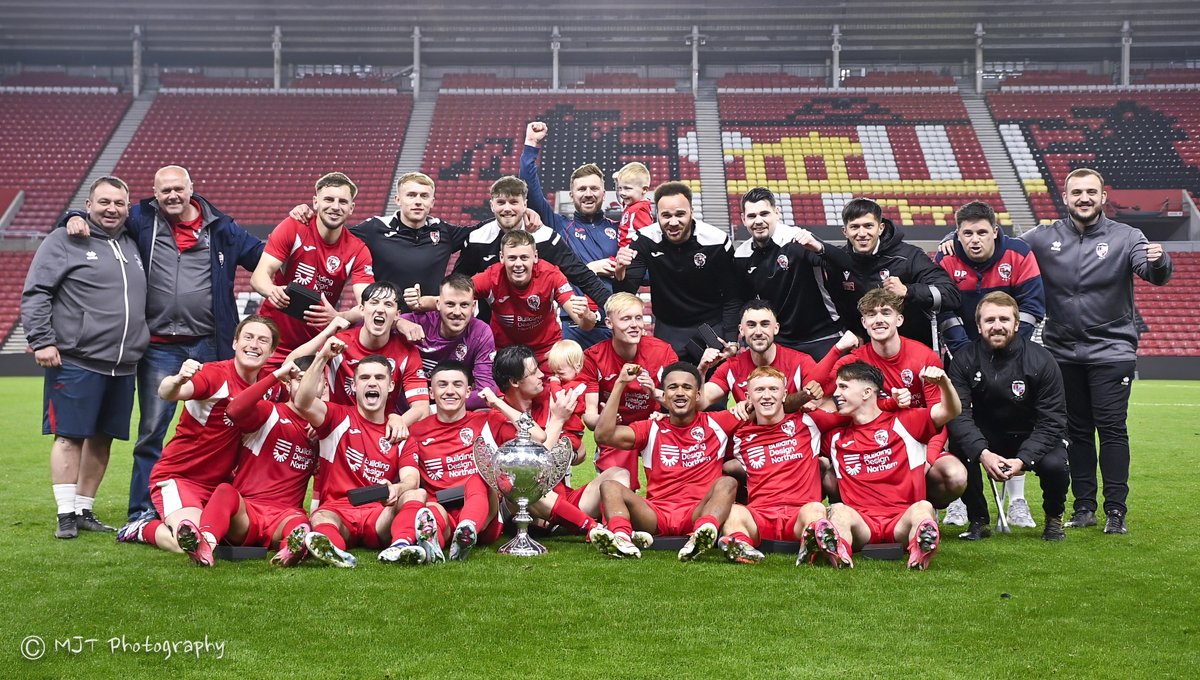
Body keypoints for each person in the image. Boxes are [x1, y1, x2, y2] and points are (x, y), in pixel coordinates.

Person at [59, 165, 263, 524]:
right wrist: (73, 216)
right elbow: (106, 214)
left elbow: (265, 255)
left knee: (218, 430)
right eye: (165, 190)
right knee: (152, 431)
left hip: (209, 344)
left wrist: (300, 224)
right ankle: (142, 510)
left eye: (178, 189)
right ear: (155, 193)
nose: (172, 195)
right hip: (158, 348)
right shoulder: (142, 218)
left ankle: (213, 505)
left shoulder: (221, 227)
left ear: (191, 190)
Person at [1020, 168, 1173, 534]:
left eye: (1091, 191)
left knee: (1112, 429)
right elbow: (1001, 247)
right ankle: (1084, 507)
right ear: (1065, 197)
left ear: (1104, 197)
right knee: (1077, 432)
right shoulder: (1043, 237)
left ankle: (1116, 510)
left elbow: (1153, 272)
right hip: (1061, 352)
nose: (1084, 198)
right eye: (1077, 192)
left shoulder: (1127, 236)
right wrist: (952, 239)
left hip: (1112, 351)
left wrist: (1159, 261)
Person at [23, 176, 149, 538]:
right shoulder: (64, 239)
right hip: (77, 359)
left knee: (103, 438)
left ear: (128, 208)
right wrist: (42, 340)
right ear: (88, 205)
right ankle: (65, 513)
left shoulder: (133, 242)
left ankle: (83, 509)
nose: (112, 209)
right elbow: (37, 292)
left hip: (123, 364)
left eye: (119, 203)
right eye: (104, 202)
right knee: (69, 436)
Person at [117, 316, 280, 552]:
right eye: (248, 337)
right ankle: (142, 528)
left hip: (225, 487)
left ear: (272, 351)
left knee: (232, 538)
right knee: (192, 542)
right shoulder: (214, 374)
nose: (254, 345)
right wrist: (178, 379)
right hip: (182, 477)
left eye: (263, 340)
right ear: (235, 343)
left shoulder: (270, 384)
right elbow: (167, 392)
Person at [934, 200, 1046, 530]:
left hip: (1012, 354)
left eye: (982, 232)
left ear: (995, 231)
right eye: (967, 233)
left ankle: (1018, 502)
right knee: (958, 422)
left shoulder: (1019, 254)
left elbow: (1032, 306)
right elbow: (945, 310)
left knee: (1014, 421)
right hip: (962, 357)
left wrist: (1009, 348)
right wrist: (967, 354)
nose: (975, 240)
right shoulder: (946, 257)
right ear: (957, 234)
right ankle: (960, 500)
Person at [812, 289, 968, 510]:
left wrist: (928, 460)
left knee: (954, 475)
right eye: (871, 314)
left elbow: (939, 417)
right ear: (864, 323)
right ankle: (851, 513)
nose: (879, 320)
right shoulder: (854, 361)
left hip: (915, 440)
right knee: (830, 476)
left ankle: (922, 507)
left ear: (899, 319)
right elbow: (814, 390)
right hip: (868, 445)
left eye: (886, 312)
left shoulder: (923, 357)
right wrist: (837, 349)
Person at [946, 292, 1070, 542]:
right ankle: (978, 519)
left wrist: (1023, 459)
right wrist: (983, 452)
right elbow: (959, 415)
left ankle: (1053, 518)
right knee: (959, 447)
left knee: (1056, 464)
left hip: (1031, 434)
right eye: (989, 320)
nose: (997, 326)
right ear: (978, 326)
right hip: (987, 437)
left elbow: (1052, 420)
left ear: (1016, 324)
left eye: (1004, 319)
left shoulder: (1042, 360)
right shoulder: (963, 359)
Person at [589, 362, 742, 561]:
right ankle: (622, 538)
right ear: (664, 394)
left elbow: (765, 410)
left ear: (698, 395)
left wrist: (744, 405)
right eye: (672, 387)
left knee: (728, 482)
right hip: (656, 515)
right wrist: (620, 383)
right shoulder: (650, 428)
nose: (680, 393)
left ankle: (702, 534)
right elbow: (603, 435)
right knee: (609, 486)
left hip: (698, 511)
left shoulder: (718, 422)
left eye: (687, 387)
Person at [175, 357, 320, 567]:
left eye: (315, 381)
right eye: (300, 380)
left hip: (285, 516)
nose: (308, 386)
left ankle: (290, 550)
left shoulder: (325, 428)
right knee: (225, 491)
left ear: (324, 387)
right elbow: (234, 410)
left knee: (299, 522)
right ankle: (205, 543)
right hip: (248, 512)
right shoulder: (269, 411)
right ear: (288, 384)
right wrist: (274, 376)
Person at [378, 361, 523, 564]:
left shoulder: (488, 420)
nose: (450, 391)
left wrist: (498, 404)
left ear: (468, 391)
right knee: (430, 511)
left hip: (484, 516)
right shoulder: (416, 431)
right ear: (431, 392)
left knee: (478, 478)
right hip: (441, 508)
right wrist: (395, 417)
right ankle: (431, 547)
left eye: (457, 384)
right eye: (442, 385)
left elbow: (537, 436)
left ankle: (468, 528)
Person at [291, 337, 416, 568]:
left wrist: (397, 489)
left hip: (379, 514)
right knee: (321, 517)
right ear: (355, 385)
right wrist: (322, 356)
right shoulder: (336, 417)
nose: (372, 383)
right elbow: (303, 402)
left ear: (390, 386)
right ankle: (335, 551)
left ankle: (401, 546)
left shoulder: (399, 432)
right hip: (338, 511)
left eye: (379, 378)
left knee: (416, 495)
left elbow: (411, 479)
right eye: (364, 378)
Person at [823, 360, 962, 570]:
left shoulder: (906, 422)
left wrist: (944, 383)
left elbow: (951, 411)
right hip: (862, 524)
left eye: (843, 387)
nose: (836, 394)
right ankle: (838, 552)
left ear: (867, 392)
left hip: (901, 522)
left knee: (923, 508)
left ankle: (920, 551)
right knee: (839, 510)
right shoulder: (834, 437)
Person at [483, 345, 617, 537]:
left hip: (560, 494)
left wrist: (569, 453)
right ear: (514, 381)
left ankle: (609, 529)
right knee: (526, 488)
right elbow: (535, 465)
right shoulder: (499, 417)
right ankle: (591, 527)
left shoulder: (549, 398)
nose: (541, 375)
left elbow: (581, 453)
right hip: (521, 499)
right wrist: (558, 420)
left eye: (539, 368)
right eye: (533, 372)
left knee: (617, 475)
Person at [408, 230, 597, 365]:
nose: (518, 264)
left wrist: (588, 315)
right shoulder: (490, 277)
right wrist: (420, 302)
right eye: (512, 258)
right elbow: (452, 298)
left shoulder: (551, 275)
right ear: (501, 257)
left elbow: (584, 324)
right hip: (503, 352)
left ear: (535, 257)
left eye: (524, 257)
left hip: (545, 352)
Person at [720, 367, 843, 565]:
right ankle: (741, 546)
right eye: (759, 390)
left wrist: (889, 403)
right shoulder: (739, 435)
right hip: (760, 515)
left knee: (816, 509)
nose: (767, 396)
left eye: (773, 389)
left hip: (799, 514)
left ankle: (812, 546)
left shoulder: (808, 421)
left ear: (784, 395)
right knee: (734, 512)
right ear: (748, 397)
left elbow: (852, 415)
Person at [252, 172, 374, 371]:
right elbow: (259, 277)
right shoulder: (293, 227)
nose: (335, 207)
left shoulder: (358, 250)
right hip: (271, 343)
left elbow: (366, 304)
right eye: (329, 199)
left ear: (351, 208)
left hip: (314, 348)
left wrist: (339, 315)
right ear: (315, 202)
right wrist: (272, 290)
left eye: (343, 202)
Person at [284, 281, 430, 441]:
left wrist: (398, 422)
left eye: (388, 304)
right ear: (361, 309)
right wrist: (326, 335)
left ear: (397, 314)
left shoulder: (407, 352)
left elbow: (421, 409)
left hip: (380, 433)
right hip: (337, 427)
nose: (380, 309)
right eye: (374, 302)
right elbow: (289, 366)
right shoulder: (339, 342)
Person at [613, 181, 741, 362]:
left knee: (712, 380)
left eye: (680, 214)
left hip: (710, 326)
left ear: (691, 212)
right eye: (666, 215)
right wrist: (620, 272)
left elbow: (732, 296)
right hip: (668, 328)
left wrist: (732, 339)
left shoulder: (717, 241)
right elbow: (625, 293)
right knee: (669, 379)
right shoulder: (645, 239)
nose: (673, 222)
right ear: (657, 215)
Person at [451, 175, 611, 317]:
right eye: (501, 202)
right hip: (491, 327)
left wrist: (612, 305)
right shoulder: (477, 238)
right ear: (492, 205)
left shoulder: (545, 238)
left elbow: (582, 275)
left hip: (539, 328)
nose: (507, 208)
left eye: (514, 202)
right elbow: (458, 283)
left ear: (525, 205)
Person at [521, 121, 620, 347]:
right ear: (572, 195)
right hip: (571, 326)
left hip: (613, 324)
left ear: (604, 193)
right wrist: (531, 144)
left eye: (594, 188)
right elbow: (529, 188)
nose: (588, 194)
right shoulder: (557, 225)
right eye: (581, 189)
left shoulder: (619, 229)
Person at [819, 197, 960, 350]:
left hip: (911, 348)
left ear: (880, 228)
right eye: (854, 227)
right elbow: (834, 307)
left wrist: (908, 291)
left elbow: (951, 294)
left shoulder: (909, 257)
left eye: (868, 226)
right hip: (862, 350)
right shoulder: (837, 260)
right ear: (845, 231)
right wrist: (852, 331)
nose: (862, 233)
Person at [732, 187, 845, 358]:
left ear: (777, 213)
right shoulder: (742, 254)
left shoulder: (797, 238)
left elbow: (842, 265)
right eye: (752, 216)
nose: (758, 221)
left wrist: (820, 248)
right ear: (743, 219)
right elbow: (743, 301)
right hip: (780, 342)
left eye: (764, 214)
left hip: (822, 336)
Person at [580, 292, 678, 490]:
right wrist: (606, 419)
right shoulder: (593, 357)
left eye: (638, 318)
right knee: (616, 488)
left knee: (670, 486)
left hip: (653, 425)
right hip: (617, 431)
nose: (634, 325)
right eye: (626, 319)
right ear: (609, 323)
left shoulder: (662, 351)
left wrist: (655, 393)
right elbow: (590, 418)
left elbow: (683, 405)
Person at [697, 300, 834, 411]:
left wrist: (811, 401)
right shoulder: (730, 368)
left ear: (776, 328)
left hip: (792, 433)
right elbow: (700, 404)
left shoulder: (801, 362)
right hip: (749, 435)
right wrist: (702, 370)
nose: (758, 332)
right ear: (741, 330)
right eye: (751, 325)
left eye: (765, 324)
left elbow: (821, 402)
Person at [398, 273, 498, 410]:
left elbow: (487, 392)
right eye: (450, 304)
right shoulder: (416, 322)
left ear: (474, 306)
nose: (457, 312)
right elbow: (372, 323)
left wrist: (436, 409)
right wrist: (396, 322)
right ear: (438, 304)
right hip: (406, 411)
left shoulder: (480, 333)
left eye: (464, 305)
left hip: (451, 410)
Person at [613, 162, 654, 252]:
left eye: (627, 188)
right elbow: (620, 199)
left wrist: (630, 252)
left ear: (644, 189)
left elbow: (645, 236)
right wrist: (617, 182)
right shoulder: (632, 203)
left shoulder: (640, 209)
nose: (622, 193)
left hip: (631, 254)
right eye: (620, 188)